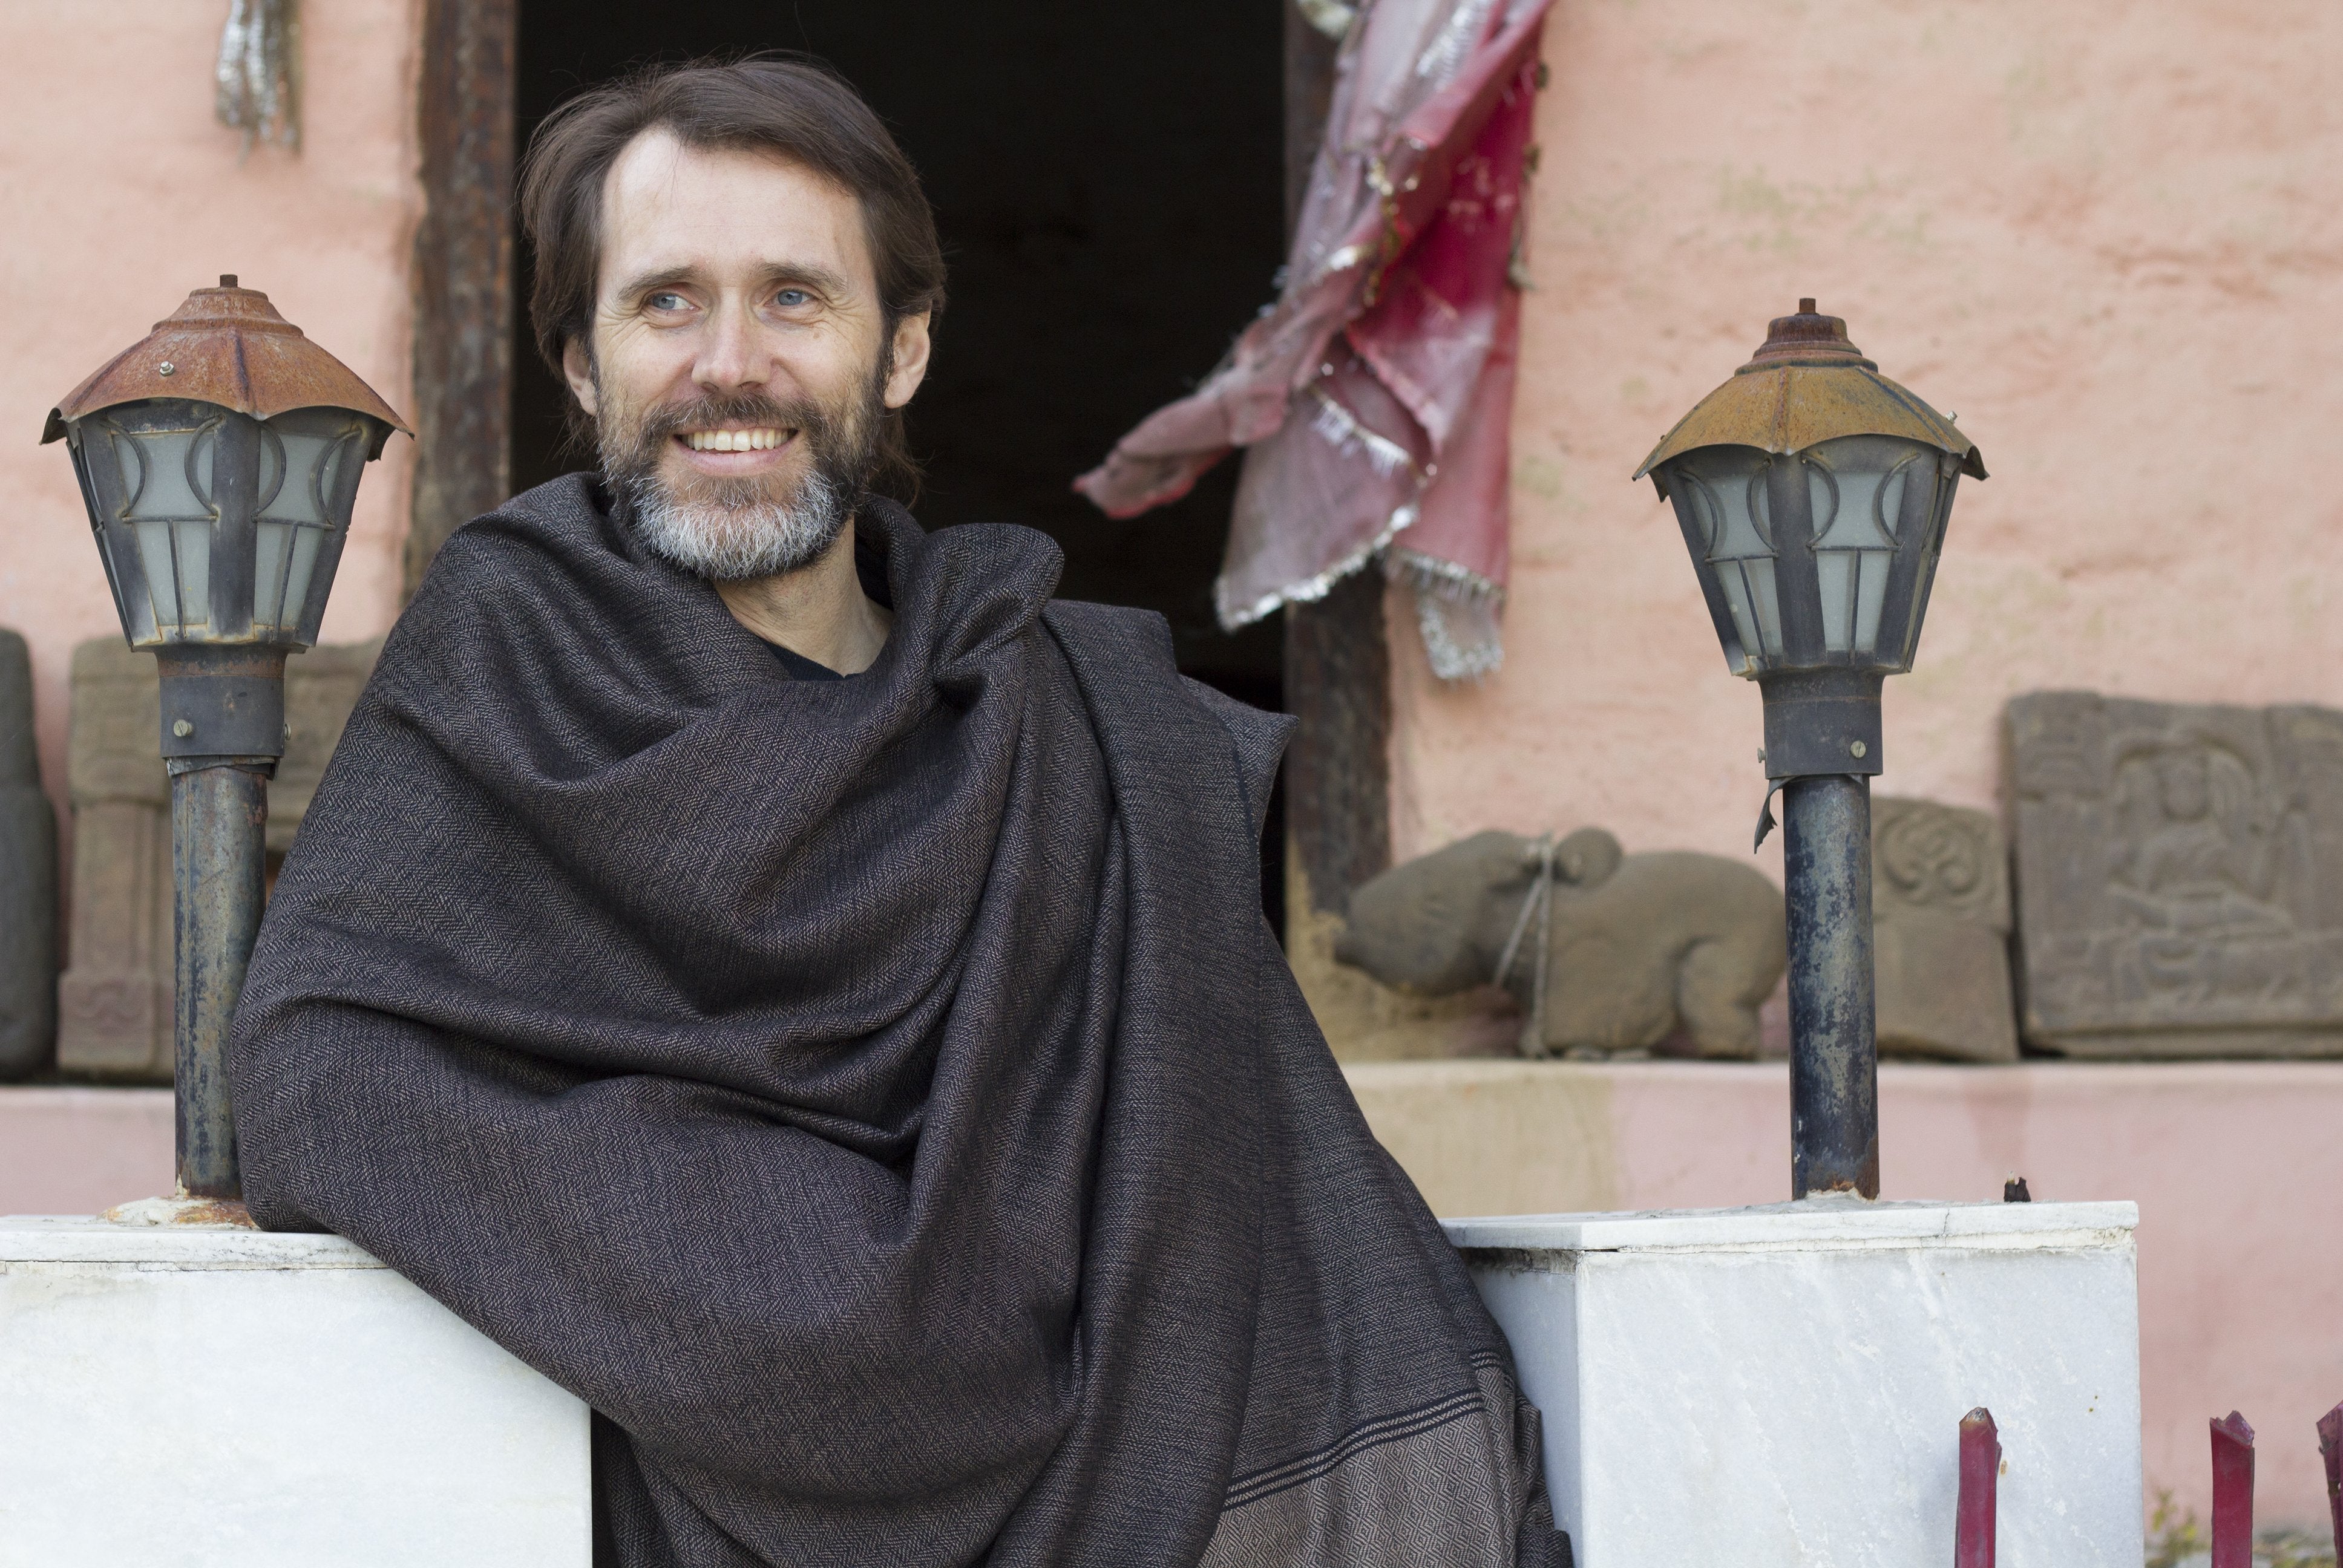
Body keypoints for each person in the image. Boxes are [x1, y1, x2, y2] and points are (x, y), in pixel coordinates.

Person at [228, 56, 1563, 1568]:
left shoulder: (1075, 728)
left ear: (902, 348)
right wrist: (811, 1289)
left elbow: (1257, 1200)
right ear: (584, 367)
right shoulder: (495, 681)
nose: (731, 365)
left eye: (795, 298)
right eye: (666, 301)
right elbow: (319, 1070)